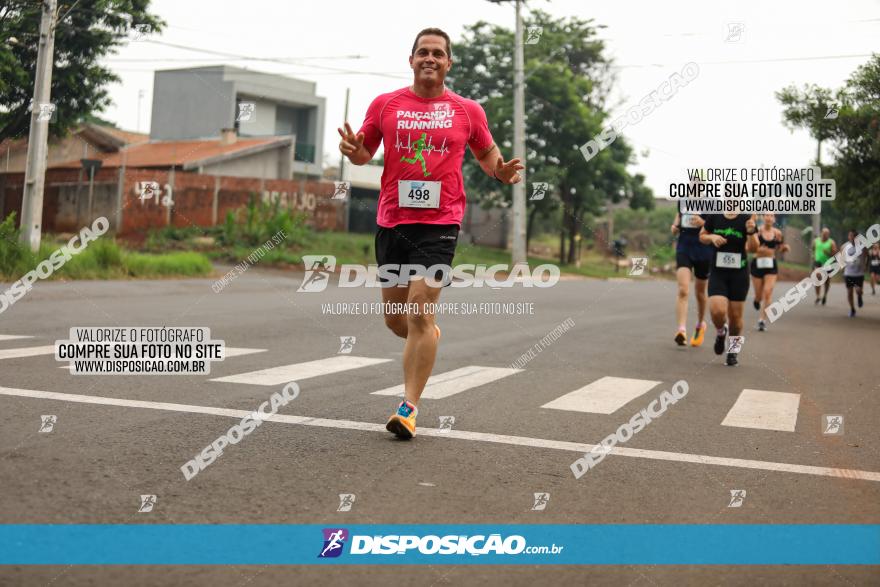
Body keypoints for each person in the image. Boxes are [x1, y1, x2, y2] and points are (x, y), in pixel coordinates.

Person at [338, 28, 523, 439]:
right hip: (392, 222)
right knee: (396, 320)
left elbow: (487, 154)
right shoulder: (386, 105)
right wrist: (354, 151)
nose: (430, 58)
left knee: (421, 308)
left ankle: (408, 408)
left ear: (448, 63)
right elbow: (366, 150)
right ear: (411, 60)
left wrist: (501, 171)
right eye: (423, 52)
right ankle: (428, 336)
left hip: (440, 223)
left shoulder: (467, 110)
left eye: (438, 53)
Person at [700, 213, 759, 366]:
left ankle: (733, 351)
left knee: (736, 319)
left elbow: (754, 248)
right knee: (717, 311)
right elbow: (702, 236)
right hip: (718, 272)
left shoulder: (747, 218)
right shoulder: (715, 217)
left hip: (739, 273)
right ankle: (721, 333)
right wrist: (712, 237)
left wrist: (751, 232)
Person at [670, 210, 712, 346]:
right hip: (684, 249)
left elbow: (718, 228)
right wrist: (674, 227)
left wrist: (703, 223)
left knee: (700, 292)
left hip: (704, 252)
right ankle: (681, 331)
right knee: (683, 290)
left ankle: (700, 325)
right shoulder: (683, 201)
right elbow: (676, 222)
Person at [749, 213, 789, 331]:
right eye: (766, 215)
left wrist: (785, 248)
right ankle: (756, 300)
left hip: (771, 265)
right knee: (759, 295)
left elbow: (780, 248)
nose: (769, 218)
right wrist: (759, 249)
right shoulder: (757, 231)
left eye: (771, 216)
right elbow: (751, 247)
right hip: (757, 264)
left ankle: (762, 320)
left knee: (767, 292)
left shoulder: (777, 233)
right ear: (763, 218)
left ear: (774, 219)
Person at [841, 229, 867, 317]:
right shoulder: (844, 246)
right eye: (850, 236)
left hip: (859, 274)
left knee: (858, 290)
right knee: (849, 292)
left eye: (853, 236)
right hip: (848, 273)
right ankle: (852, 309)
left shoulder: (862, 246)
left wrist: (865, 266)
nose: (851, 237)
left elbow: (866, 256)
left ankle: (859, 297)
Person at [812, 227, 837, 305]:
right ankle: (818, 296)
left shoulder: (831, 242)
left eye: (827, 234)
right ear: (821, 233)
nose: (826, 235)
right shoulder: (816, 241)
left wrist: (828, 253)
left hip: (828, 264)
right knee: (817, 277)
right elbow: (813, 249)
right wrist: (814, 256)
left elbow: (834, 255)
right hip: (818, 262)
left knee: (827, 281)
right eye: (824, 233)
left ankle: (825, 295)